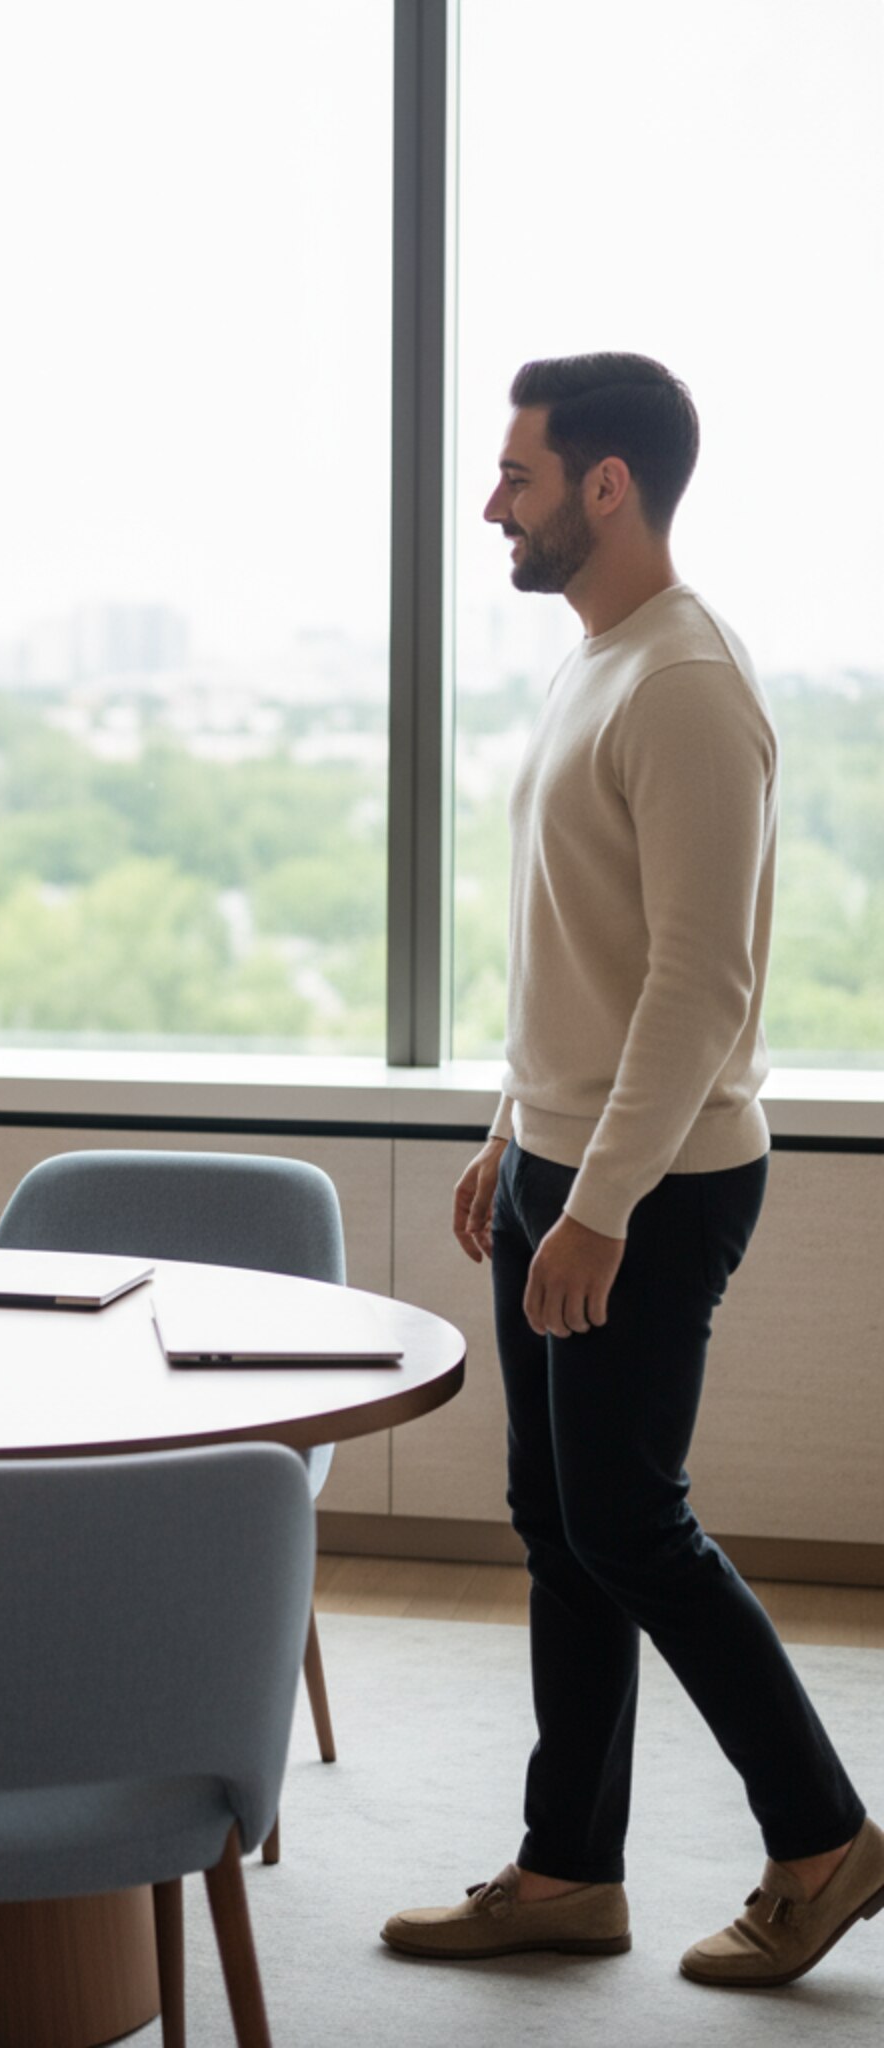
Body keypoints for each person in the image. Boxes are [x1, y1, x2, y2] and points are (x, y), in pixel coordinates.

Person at [381, 355, 881, 1985]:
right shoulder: (597, 662)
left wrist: (596, 1202)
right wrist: (508, 1133)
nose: (492, 504)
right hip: (564, 1154)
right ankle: (567, 1873)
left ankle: (824, 1840)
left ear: (608, 486)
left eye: (517, 474)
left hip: (651, 1184)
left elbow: (698, 984)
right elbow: (579, 948)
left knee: (630, 1523)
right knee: (562, 1522)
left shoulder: (686, 682)